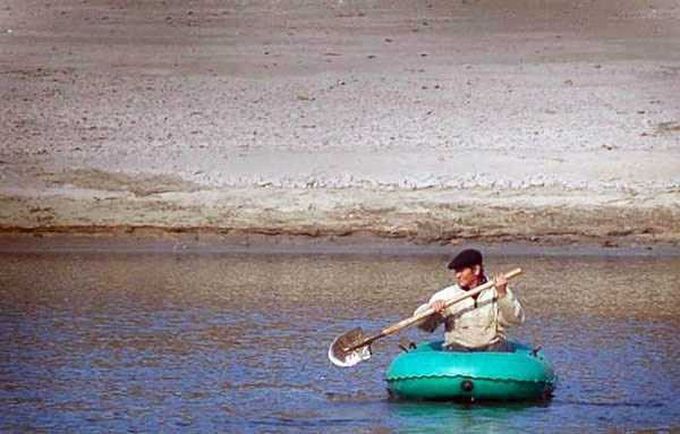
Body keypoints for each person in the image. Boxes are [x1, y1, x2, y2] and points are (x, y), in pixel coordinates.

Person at [414, 248, 524, 352]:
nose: (457, 275)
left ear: (476, 270)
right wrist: (431, 310)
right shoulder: (447, 295)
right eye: (456, 271)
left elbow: (515, 320)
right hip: (458, 348)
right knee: (455, 349)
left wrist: (502, 295)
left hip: (492, 348)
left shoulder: (497, 290)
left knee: (499, 347)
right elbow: (424, 326)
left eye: (461, 271)